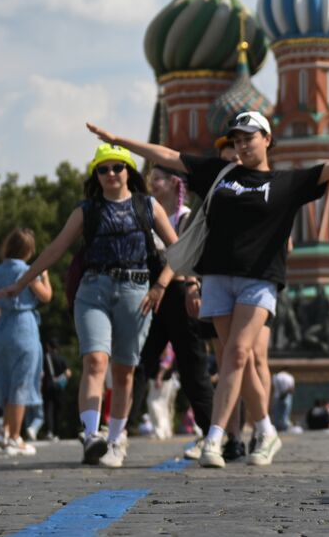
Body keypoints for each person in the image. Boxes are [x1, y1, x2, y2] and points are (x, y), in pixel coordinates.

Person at [85, 109, 329, 469]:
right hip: (217, 278)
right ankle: (266, 430)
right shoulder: (220, 174)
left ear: (267, 139)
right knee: (240, 360)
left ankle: (215, 437)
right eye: (237, 139)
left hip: (259, 279)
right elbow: (169, 156)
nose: (242, 145)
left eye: (249, 138)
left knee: (237, 353)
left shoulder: (287, 183)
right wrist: (118, 142)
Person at [0, 144, 178, 468]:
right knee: (95, 360)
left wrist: (161, 285)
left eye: (116, 168)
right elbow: (54, 250)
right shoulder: (86, 210)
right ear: (96, 175)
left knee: (123, 371)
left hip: (137, 290)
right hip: (93, 288)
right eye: (103, 169)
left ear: (128, 172)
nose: (110, 174)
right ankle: (92, 435)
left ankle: (116, 441)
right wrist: (20, 284)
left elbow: (180, 250)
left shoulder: (147, 205)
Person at [136, 164, 214, 462]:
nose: (153, 184)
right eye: (151, 179)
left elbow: (182, 255)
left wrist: (161, 284)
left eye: (158, 179)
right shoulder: (150, 215)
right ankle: (117, 427)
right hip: (153, 297)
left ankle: (211, 432)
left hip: (178, 295)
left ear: (174, 183)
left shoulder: (184, 217)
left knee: (193, 368)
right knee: (141, 363)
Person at [0, 228, 51, 457]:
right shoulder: (30, 270)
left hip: (3, 328)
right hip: (24, 327)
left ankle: (5, 432)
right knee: (21, 384)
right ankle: (15, 436)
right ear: (29, 249)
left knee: (5, 383)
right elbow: (46, 296)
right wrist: (44, 275)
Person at [41, 340, 70, 441]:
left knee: (48, 409)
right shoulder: (62, 359)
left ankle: (49, 431)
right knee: (58, 410)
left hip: (47, 386)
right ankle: (57, 433)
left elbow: (41, 373)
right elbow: (68, 373)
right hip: (59, 388)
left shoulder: (45, 358)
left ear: (48, 347)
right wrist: (60, 379)